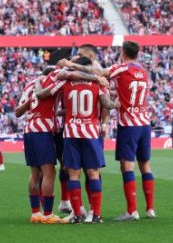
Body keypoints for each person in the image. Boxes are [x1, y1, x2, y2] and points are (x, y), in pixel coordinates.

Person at [59, 40, 157, 221]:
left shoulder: (122, 68)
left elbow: (101, 73)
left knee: (126, 166)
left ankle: (131, 211)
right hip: (144, 122)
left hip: (129, 124)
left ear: (123, 53)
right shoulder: (143, 72)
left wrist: (71, 64)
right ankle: (150, 209)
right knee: (145, 166)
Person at [37, 57, 116, 224]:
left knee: (73, 174)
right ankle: (95, 214)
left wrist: (39, 83)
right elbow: (107, 104)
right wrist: (117, 103)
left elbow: (44, 95)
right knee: (93, 172)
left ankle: (78, 214)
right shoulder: (99, 83)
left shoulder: (65, 82)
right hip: (91, 132)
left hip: (71, 132)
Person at [15, 68, 66, 224]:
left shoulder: (29, 85)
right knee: (49, 172)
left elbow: (17, 112)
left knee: (35, 174)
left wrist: (32, 106)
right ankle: (48, 214)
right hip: (43, 131)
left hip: (29, 130)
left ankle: (36, 213)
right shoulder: (53, 84)